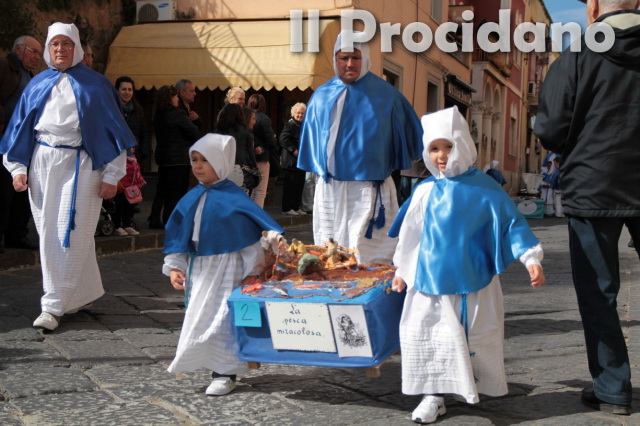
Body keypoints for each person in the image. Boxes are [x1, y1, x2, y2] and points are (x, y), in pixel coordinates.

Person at [389, 107, 545, 424]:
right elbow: (410, 235)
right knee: (432, 334)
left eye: (448, 146)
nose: (441, 155)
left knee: (471, 333)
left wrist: (531, 258)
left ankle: (467, 382)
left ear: (461, 144)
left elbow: (511, 224)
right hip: (429, 281)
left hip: (474, 278)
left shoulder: (484, 188)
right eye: (434, 148)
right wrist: (402, 271)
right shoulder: (424, 191)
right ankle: (433, 395)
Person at [533, 0, 640, 415]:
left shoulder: (577, 52)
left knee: (598, 291)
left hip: (594, 184)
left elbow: (550, 128)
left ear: (594, 8)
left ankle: (612, 387)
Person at [0, 23, 137, 330]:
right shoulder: (37, 84)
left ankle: (52, 304)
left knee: (71, 232)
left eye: (66, 43)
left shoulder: (97, 86)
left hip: (82, 164)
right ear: (48, 48)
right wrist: (18, 168)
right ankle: (82, 293)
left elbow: (112, 134)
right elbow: (20, 128)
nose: (60, 49)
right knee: (49, 231)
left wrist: (112, 175)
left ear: (76, 48)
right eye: (54, 44)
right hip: (43, 162)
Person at [163, 133, 283, 396]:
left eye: (205, 160)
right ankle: (209, 362)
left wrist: (253, 272)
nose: (198, 166)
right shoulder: (191, 198)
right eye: (195, 159)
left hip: (229, 270)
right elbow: (179, 236)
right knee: (201, 317)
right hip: (200, 269)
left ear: (220, 162)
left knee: (224, 319)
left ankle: (225, 372)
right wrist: (175, 266)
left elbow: (251, 240)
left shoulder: (235, 199)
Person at [298, 31, 423, 264]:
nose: (349, 63)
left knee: (370, 255)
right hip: (330, 187)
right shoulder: (321, 96)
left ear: (365, 58)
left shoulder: (387, 96)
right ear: (335, 59)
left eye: (355, 57)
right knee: (330, 251)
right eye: (343, 57)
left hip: (370, 188)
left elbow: (413, 135)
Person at [0, 35, 42, 254]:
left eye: (39, 53)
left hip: (24, 142)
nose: (37, 57)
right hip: (5, 140)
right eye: (33, 51)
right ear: (19, 49)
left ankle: (16, 235)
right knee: (3, 191)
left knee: (22, 191)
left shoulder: (29, 75)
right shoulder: (4, 66)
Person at [151, 85, 200, 226]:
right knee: (176, 192)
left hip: (163, 157)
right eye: (175, 96)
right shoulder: (178, 114)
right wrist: (195, 122)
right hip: (178, 158)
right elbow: (194, 133)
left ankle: (154, 218)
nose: (177, 99)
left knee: (162, 190)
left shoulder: (158, 114)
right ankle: (170, 221)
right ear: (170, 98)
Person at [215, 103, 257, 193]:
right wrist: (255, 170)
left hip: (221, 170)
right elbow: (251, 155)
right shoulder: (246, 134)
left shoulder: (219, 133)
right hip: (240, 169)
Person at [247, 94, 278, 209]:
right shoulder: (264, 119)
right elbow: (270, 139)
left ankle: (250, 215)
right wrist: (274, 139)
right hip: (262, 157)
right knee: (260, 191)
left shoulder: (245, 117)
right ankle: (257, 217)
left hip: (248, 156)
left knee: (252, 191)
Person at [279, 102, 307, 215]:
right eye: (298, 113)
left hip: (300, 161)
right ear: (293, 113)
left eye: (302, 113)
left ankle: (296, 207)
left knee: (299, 185)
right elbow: (283, 139)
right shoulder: (290, 124)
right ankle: (287, 208)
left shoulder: (302, 125)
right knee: (290, 186)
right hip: (291, 161)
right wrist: (293, 149)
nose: (300, 115)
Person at [115, 76, 149, 165]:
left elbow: (144, 133)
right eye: (124, 89)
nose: (127, 92)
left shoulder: (139, 110)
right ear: (117, 91)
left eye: (130, 90)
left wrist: (142, 154)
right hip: (115, 158)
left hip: (134, 158)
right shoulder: (111, 110)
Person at [112, 148, 145, 236]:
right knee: (119, 207)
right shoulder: (118, 157)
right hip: (120, 187)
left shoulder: (133, 159)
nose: (132, 150)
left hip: (130, 187)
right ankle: (117, 226)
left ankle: (126, 225)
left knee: (129, 207)